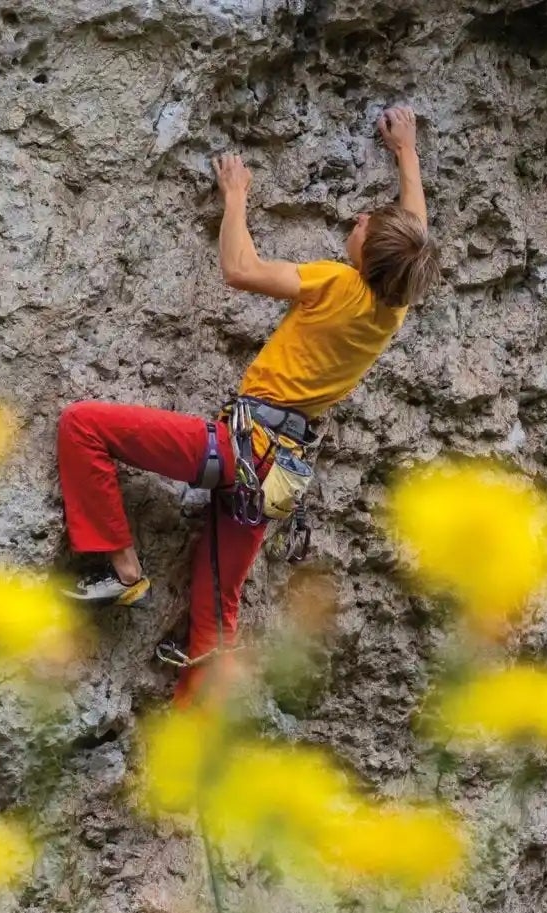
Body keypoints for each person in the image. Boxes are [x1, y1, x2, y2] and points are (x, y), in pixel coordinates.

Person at [55, 105, 439, 699]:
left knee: (84, 426)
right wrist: (406, 153)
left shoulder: (339, 285)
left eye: (366, 225)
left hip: (239, 448)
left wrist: (236, 197)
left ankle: (122, 568)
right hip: (277, 475)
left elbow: (241, 269)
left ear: (367, 259)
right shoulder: (394, 302)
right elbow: (413, 229)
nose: (361, 217)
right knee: (214, 622)